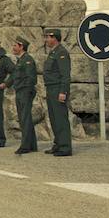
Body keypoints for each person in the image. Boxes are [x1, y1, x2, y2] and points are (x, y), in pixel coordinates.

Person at [43, 28, 72, 156]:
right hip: (50, 88)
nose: (46, 40)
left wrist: (63, 92)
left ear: (54, 38)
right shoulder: (53, 52)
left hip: (58, 89)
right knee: (54, 119)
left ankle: (65, 147)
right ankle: (58, 144)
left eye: (48, 37)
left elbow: (65, 74)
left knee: (61, 119)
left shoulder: (61, 53)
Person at [10, 36, 38, 155]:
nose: (13, 47)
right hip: (20, 91)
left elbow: (31, 78)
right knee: (24, 119)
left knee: (25, 119)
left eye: (15, 45)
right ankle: (32, 145)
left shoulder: (27, 60)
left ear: (21, 47)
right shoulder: (20, 60)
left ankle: (25, 146)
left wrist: (24, 89)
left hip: (25, 92)